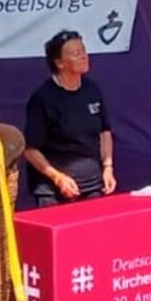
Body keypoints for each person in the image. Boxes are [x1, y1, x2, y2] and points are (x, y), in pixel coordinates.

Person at [22, 32, 114, 207]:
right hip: (54, 191)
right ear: (59, 63)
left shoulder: (92, 89)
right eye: (76, 53)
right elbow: (30, 149)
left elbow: (104, 132)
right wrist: (58, 178)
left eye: (83, 51)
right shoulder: (42, 98)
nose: (83, 56)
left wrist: (108, 167)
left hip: (92, 186)